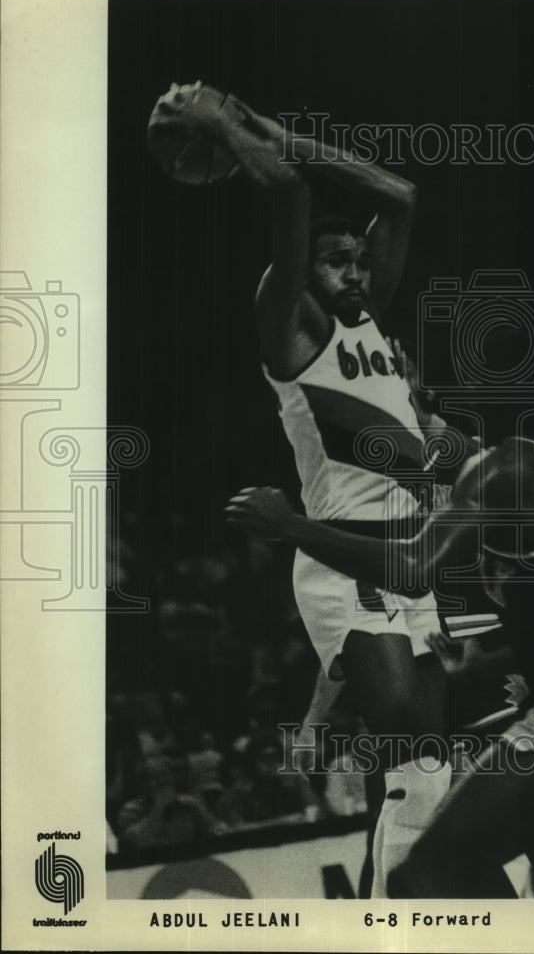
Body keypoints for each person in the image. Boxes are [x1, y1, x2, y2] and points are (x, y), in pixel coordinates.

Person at [154, 81, 450, 895]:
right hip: (343, 556)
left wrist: (271, 126)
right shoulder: (288, 326)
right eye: (334, 261)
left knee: (423, 774)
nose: (354, 274)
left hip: (411, 558)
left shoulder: (368, 321)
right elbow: (289, 191)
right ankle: (386, 923)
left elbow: (399, 193)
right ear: (301, 275)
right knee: (413, 761)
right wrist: (232, 130)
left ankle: (400, 909)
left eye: (360, 262)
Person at [226, 436, 534, 897]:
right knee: (480, 856)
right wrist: (485, 663)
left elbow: (410, 569)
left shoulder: (500, 475)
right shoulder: (511, 494)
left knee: (442, 867)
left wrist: (290, 525)